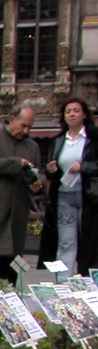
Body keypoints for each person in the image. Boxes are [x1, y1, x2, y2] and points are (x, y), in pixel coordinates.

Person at [0, 102, 45, 287]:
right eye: (23, 125)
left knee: (13, 254)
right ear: (12, 119)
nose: (26, 130)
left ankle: (5, 290)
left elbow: (38, 172)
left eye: (30, 126)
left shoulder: (32, 147)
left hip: (18, 208)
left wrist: (39, 183)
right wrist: (16, 163)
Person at [40, 97, 98, 277]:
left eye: (76, 110)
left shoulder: (94, 137)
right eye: (68, 111)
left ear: (84, 114)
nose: (72, 114)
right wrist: (51, 170)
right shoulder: (58, 140)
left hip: (89, 196)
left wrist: (84, 167)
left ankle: (89, 286)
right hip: (64, 195)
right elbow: (52, 169)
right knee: (66, 242)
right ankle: (63, 285)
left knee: (89, 242)